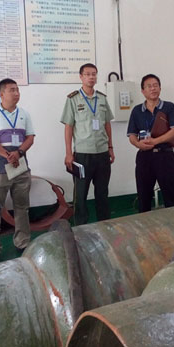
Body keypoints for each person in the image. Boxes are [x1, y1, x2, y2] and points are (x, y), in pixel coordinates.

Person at [0, 78, 35, 265]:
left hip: (20, 166)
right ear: (1, 94)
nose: (16, 93)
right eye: (12, 90)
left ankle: (22, 242)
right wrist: (7, 155)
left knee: (22, 207)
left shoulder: (24, 113)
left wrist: (18, 153)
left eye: (17, 89)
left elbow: (30, 137)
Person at [61, 63, 114, 225]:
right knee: (80, 195)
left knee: (102, 193)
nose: (91, 77)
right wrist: (68, 153)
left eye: (94, 74)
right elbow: (68, 127)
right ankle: (80, 228)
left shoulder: (102, 98)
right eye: (88, 74)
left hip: (102, 154)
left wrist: (110, 147)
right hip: (82, 155)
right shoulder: (73, 99)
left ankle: (104, 225)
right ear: (81, 77)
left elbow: (107, 124)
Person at [127, 74, 174, 212]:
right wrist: (138, 144)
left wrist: (155, 141)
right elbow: (132, 135)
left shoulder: (169, 107)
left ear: (160, 88)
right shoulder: (137, 110)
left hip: (165, 156)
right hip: (144, 157)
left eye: (156, 85)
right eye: (149, 86)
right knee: (143, 197)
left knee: (170, 196)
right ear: (143, 91)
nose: (153, 88)